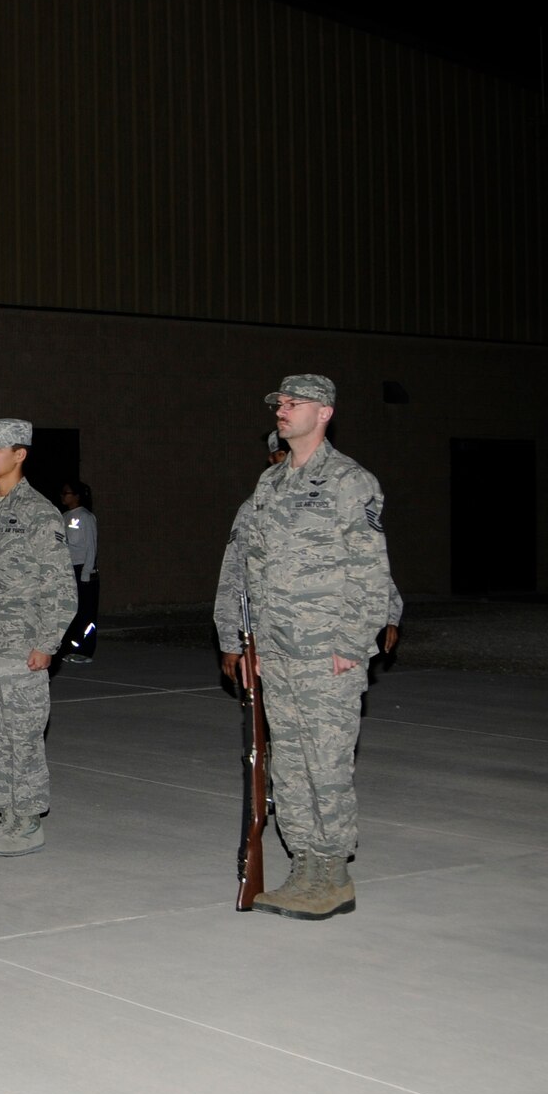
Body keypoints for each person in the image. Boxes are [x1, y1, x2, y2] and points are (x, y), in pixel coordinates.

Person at [215, 374, 393, 919]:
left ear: (325, 413)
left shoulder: (350, 481)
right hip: (275, 649)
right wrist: (240, 639)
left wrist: (353, 642)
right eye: (280, 403)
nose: (283, 410)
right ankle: (303, 865)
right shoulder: (269, 485)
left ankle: (332, 874)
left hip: (325, 650)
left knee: (326, 763)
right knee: (288, 763)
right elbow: (246, 565)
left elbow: (370, 570)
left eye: (295, 403)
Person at [0, 419, 77, 855]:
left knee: (22, 736)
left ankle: (27, 823)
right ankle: (7, 816)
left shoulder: (40, 513)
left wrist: (47, 643)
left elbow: (60, 586)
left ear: (20, 454)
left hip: (20, 645)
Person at [59, 479, 99, 663]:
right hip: (67, 569)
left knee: (86, 612)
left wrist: (86, 573)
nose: (63, 496)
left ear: (77, 496)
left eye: (67, 493)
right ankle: (70, 648)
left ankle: (85, 651)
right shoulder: (64, 516)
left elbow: (91, 546)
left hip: (83, 568)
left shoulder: (85, 517)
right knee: (70, 611)